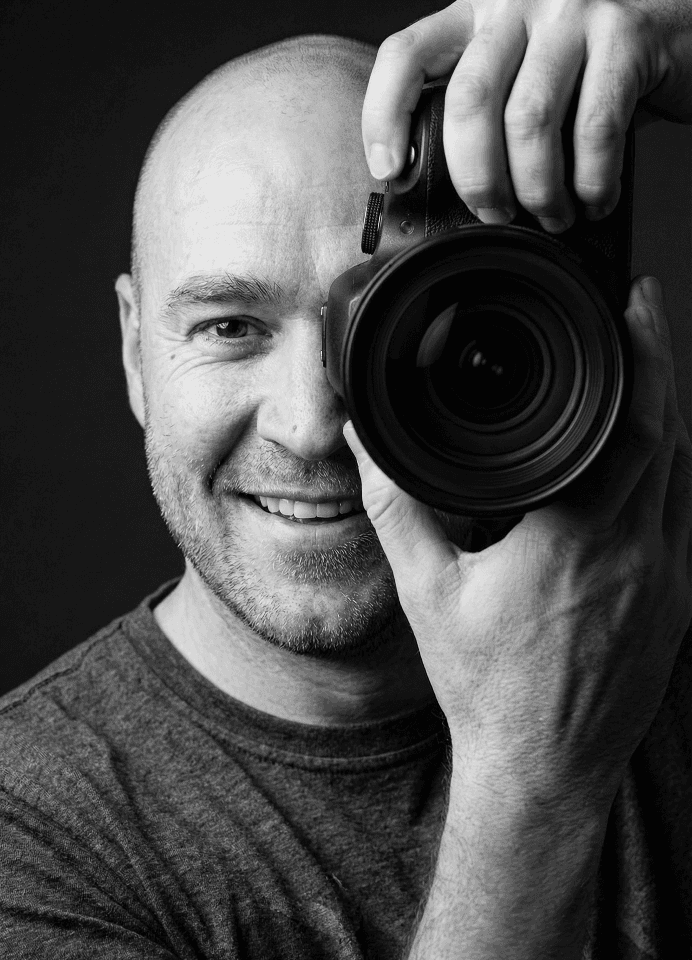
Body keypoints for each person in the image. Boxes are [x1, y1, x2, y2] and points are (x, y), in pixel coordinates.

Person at [1, 1, 691, 956]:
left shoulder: (669, 656)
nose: (313, 423)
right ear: (133, 354)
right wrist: (532, 777)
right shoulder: (29, 829)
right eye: (229, 327)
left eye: (382, 322)